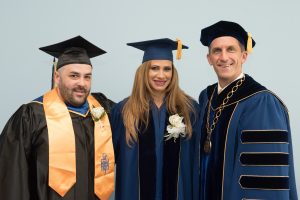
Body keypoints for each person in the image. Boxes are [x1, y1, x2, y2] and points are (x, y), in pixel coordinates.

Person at [0, 36, 115, 200]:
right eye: (74, 76)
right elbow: (13, 178)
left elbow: (135, 119)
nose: (82, 83)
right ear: (57, 77)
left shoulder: (102, 110)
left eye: (87, 76)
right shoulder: (32, 116)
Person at [198, 20, 298, 200]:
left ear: (244, 56)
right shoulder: (206, 97)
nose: (224, 57)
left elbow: (264, 177)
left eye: (231, 49)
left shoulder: (262, 102)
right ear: (209, 59)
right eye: (217, 51)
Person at [110, 38, 201, 200]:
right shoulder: (123, 111)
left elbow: (197, 161)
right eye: (154, 68)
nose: (161, 75)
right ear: (144, 71)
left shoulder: (190, 110)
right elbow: (107, 160)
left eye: (167, 69)